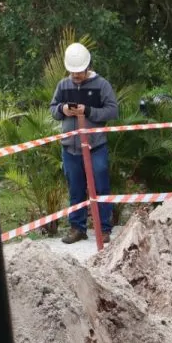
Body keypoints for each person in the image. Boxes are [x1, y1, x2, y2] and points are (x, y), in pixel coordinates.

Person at [49, 42, 119, 244]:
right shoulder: (63, 85)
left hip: (96, 146)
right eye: (72, 72)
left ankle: (104, 228)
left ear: (87, 67)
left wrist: (88, 111)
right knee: (76, 188)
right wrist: (62, 109)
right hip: (70, 148)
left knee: (100, 186)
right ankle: (77, 228)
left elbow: (112, 110)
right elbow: (53, 109)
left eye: (79, 72)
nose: (76, 76)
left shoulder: (102, 85)